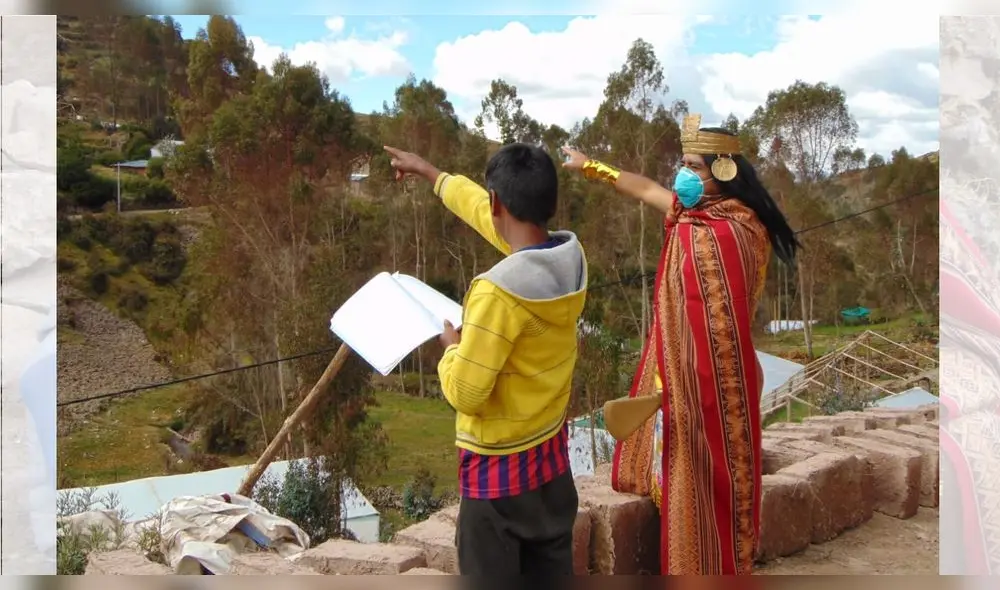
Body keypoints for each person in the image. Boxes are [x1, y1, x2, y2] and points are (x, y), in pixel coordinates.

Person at [561, 113, 799, 575]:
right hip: (684, 377)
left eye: (694, 166)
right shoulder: (693, 215)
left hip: (717, 379)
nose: (683, 175)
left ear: (724, 170)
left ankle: (713, 560)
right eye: (682, 164)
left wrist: (688, 374)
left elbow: (720, 323)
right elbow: (646, 189)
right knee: (688, 472)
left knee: (715, 475)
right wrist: (591, 166)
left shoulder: (736, 229)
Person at [384, 143, 589, 578]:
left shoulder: (498, 292)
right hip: (550, 466)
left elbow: (467, 392)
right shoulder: (567, 261)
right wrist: (432, 172)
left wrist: (451, 347)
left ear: (500, 202)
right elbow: (483, 211)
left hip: (499, 483)